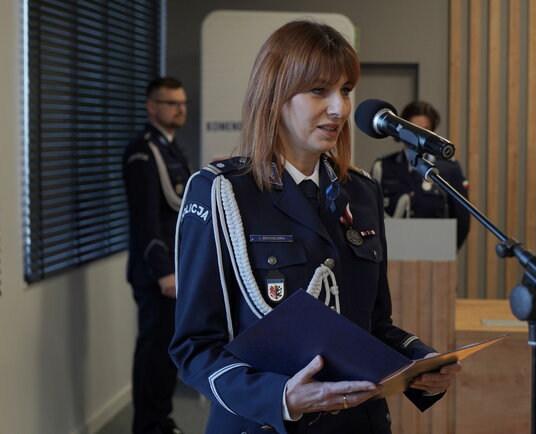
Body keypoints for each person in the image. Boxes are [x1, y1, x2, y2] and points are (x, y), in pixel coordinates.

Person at [170, 21, 461, 434]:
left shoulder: (361, 191)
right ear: (274, 95)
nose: (340, 108)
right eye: (319, 90)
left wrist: (420, 362)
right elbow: (194, 347)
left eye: (346, 90)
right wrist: (280, 397)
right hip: (266, 424)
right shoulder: (222, 193)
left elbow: (372, 325)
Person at [123, 76, 190, 434]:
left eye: (182, 103)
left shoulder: (170, 148)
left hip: (173, 268)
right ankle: (148, 426)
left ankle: (160, 422)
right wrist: (164, 272)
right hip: (156, 273)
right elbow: (145, 219)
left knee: (166, 352)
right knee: (153, 352)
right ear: (152, 107)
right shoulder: (143, 151)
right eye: (171, 103)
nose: (180, 109)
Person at [371, 101, 470, 250]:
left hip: (435, 254)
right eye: (412, 129)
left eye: (424, 130)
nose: (416, 137)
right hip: (392, 255)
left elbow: (462, 221)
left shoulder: (449, 169)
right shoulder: (383, 167)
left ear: (433, 133)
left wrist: (447, 252)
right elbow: (371, 217)